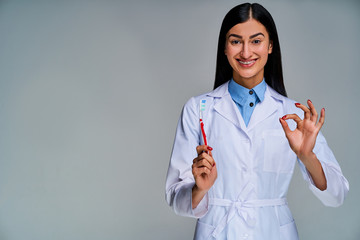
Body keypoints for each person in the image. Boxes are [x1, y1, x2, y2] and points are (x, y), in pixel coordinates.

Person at [165, 3, 349, 240]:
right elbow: (175, 198)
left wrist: (307, 157)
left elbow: (337, 195)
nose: (245, 52)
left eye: (256, 41)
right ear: (224, 47)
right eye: (235, 41)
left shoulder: (293, 114)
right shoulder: (198, 109)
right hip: (217, 231)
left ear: (270, 45)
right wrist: (199, 189)